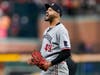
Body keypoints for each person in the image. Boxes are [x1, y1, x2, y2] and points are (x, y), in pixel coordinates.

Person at [28, 3, 71, 75]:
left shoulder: (61, 29)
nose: (47, 11)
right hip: (48, 68)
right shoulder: (46, 30)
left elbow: (66, 52)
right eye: (47, 10)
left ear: (58, 13)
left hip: (57, 69)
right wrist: (34, 60)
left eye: (50, 10)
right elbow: (47, 51)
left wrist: (50, 63)